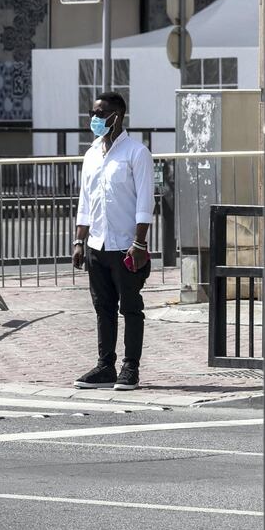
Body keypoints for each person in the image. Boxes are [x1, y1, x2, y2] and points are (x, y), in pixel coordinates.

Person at [72, 91, 155, 391]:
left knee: (130, 308)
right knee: (102, 307)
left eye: (100, 113)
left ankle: (130, 368)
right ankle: (105, 366)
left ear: (116, 116)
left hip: (126, 246)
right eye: (92, 113)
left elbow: (145, 202)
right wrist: (79, 242)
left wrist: (140, 244)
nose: (94, 119)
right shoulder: (91, 154)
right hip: (97, 245)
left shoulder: (136, 153)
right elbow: (85, 201)